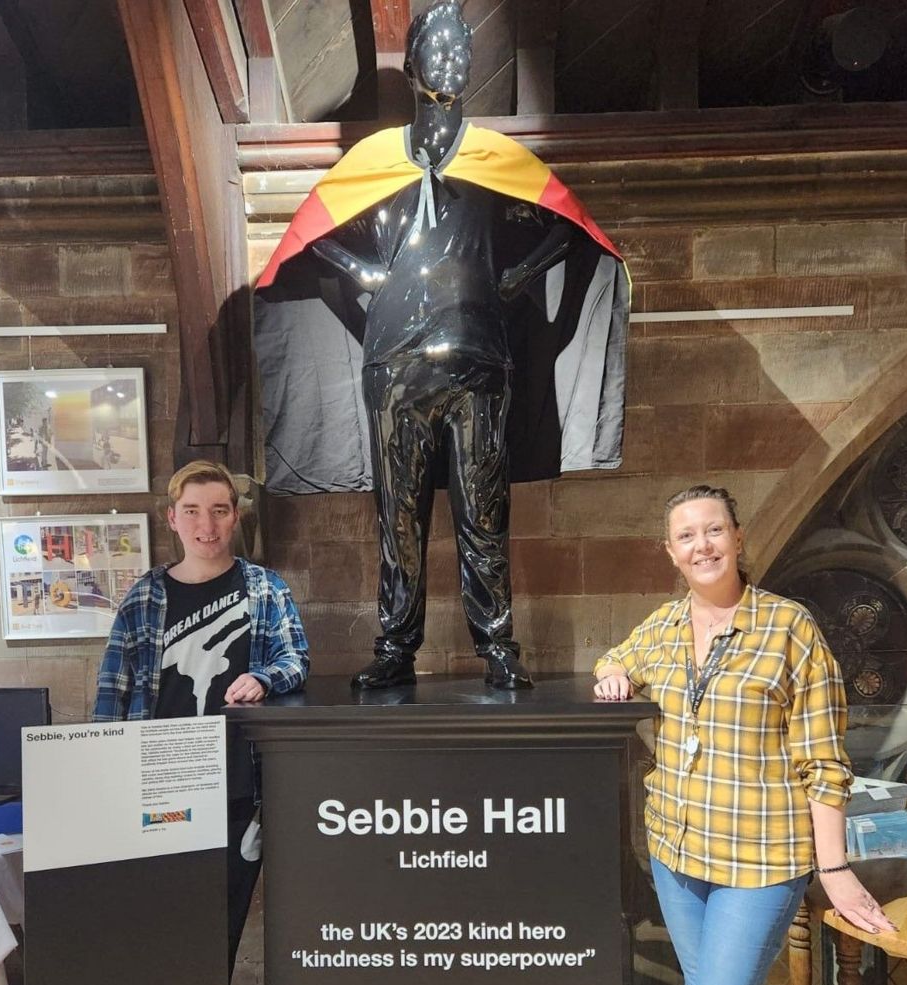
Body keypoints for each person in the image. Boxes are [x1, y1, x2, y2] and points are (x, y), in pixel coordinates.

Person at [255, 0, 629, 691]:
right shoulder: (373, 161)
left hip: (480, 357)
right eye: (439, 47)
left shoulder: (498, 162)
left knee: (484, 513)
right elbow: (308, 240)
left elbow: (572, 231)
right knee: (397, 517)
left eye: (463, 48)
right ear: (415, 64)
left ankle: (496, 646)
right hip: (394, 362)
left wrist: (514, 277)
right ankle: (396, 648)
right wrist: (366, 271)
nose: (453, 60)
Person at [592, 484, 895, 985]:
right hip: (675, 850)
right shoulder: (663, 626)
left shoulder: (788, 627)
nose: (702, 545)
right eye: (686, 536)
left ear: (737, 538)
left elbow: (823, 761)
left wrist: (834, 870)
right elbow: (615, 658)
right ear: (671, 552)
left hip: (759, 858)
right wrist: (613, 674)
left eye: (714, 530)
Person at [92, 460, 309, 981]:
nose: (205, 525)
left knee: (223, 928)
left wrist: (265, 678)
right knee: (161, 925)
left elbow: (296, 658)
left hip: (237, 791)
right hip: (159, 791)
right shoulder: (144, 597)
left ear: (235, 517)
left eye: (218, 510)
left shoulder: (265, 588)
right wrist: (103, 782)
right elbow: (112, 694)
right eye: (192, 511)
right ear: (172, 519)